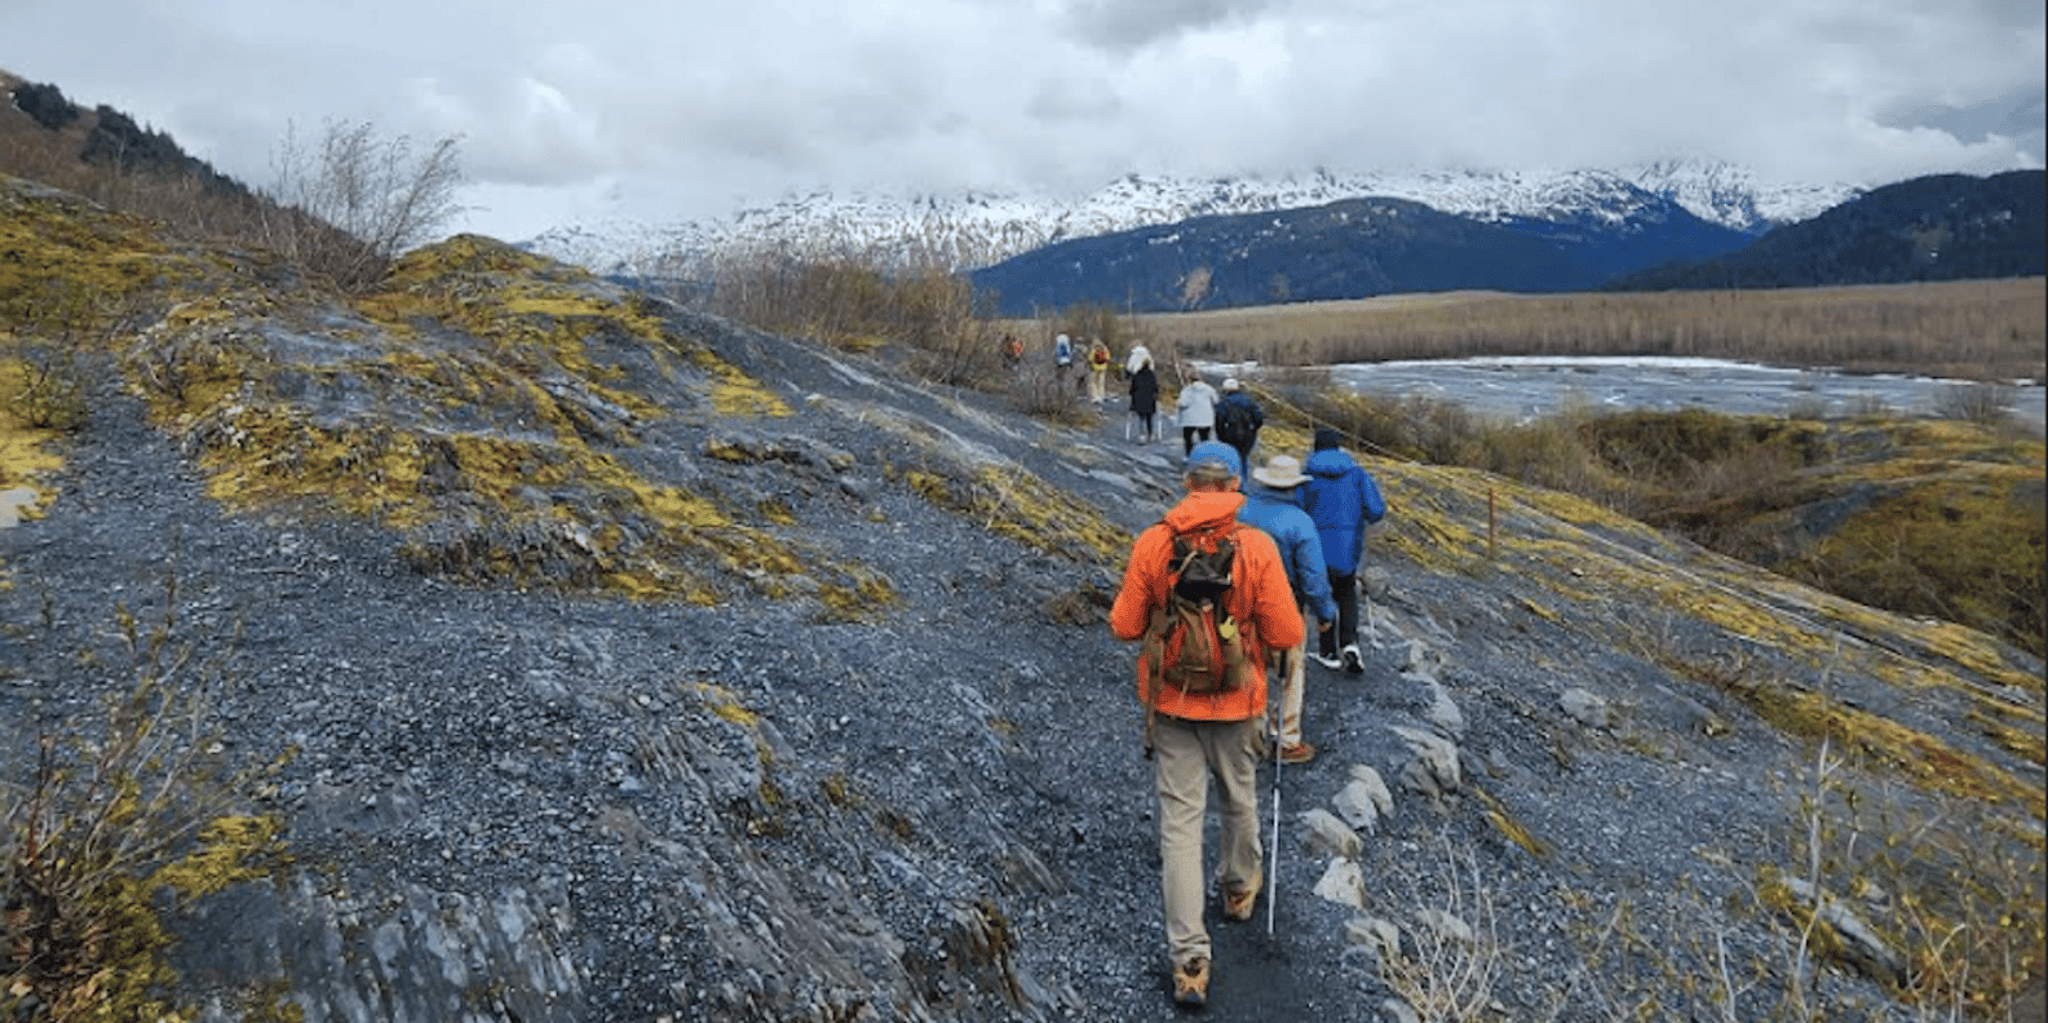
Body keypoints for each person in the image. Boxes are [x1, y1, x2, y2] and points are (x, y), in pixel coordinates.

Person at [1109, 442, 1305, 1008]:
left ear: (1188, 480)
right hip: (1238, 703)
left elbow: (1124, 626)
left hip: (1172, 705)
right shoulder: (1256, 547)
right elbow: (1287, 632)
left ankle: (1190, 960)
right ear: (1237, 485)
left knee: (1179, 827)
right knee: (1240, 797)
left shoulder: (1154, 542)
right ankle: (1239, 890)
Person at [1240, 454, 1337, 763]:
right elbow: (1314, 579)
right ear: (1294, 486)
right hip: (1284, 608)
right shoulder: (1300, 522)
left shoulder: (1240, 510)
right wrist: (1325, 615)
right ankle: (1285, 739)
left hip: (1239, 607)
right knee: (1289, 673)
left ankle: (1246, 736)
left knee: (1248, 668)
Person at [1300, 428, 1387, 673]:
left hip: (1314, 545)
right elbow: (1376, 510)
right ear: (1339, 448)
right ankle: (1350, 643)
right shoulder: (1357, 474)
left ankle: (1328, 651)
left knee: (1322, 595)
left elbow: (1296, 505)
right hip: (1348, 547)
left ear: (1315, 447)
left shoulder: (1307, 474)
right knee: (1347, 592)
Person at [1213, 378, 1265, 476]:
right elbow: (1259, 418)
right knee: (1243, 458)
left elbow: (1218, 421)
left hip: (1229, 434)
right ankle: (1242, 484)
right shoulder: (1249, 400)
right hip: (1248, 435)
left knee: (1229, 459)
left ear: (1225, 389)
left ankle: (1230, 483)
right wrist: (1254, 429)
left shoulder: (1223, 402)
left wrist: (1220, 436)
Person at [1174, 375, 1220, 456]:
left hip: (1189, 419)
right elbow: (1216, 401)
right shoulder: (1209, 388)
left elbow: (1183, 403)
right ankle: (1205, 456)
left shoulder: (1187, 390)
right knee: (1204, 438)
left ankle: (1189, 455)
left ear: (1190, 380)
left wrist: (1177, 403)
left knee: (1188, 438)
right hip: (1205, 418)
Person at [1127, 347, 1160, 443]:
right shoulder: (1152, 375)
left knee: (1141, 418)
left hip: (1139, 400)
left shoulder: (1137, 375)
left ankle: (1142, 435)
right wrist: (1156, 395)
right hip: (1150, 400)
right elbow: (1155, 388)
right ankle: (1151, 433)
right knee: (1150, 418)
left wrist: (1132, 395)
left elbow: (1132, 389)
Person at [1087, 338, 1113, 403]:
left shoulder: (1094, 349)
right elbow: (1108, 358)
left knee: (1093, 382)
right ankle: (1102, 395)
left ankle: (1095, 396)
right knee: (1101, 382)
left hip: (1094, 368)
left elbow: (1090, 359)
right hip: (1103, 368)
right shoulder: (1105, 349)